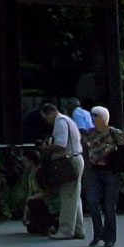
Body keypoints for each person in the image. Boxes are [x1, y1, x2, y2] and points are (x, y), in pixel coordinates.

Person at [43, 96, 87, 239]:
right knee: (74, 196)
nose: (46, 122)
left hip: (68, 161)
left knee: (67, 196)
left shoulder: (60, 122)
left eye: (45, 118)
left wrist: (47, 148)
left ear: (50, 113)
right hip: (76, 158)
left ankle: (65, 230)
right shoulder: (68, 120)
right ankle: (78, 230)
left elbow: (61, 144)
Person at [83, 106, 124, 247]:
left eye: (96, 116)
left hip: (110, 172)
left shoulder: (113, 132)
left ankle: (110, 237)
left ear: (103, 117)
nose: (93, 118)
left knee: (109, 206)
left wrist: (120, 158)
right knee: (93, 202)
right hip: (95, 171)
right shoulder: (89, 133)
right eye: (92, 116)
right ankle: (98, 233)